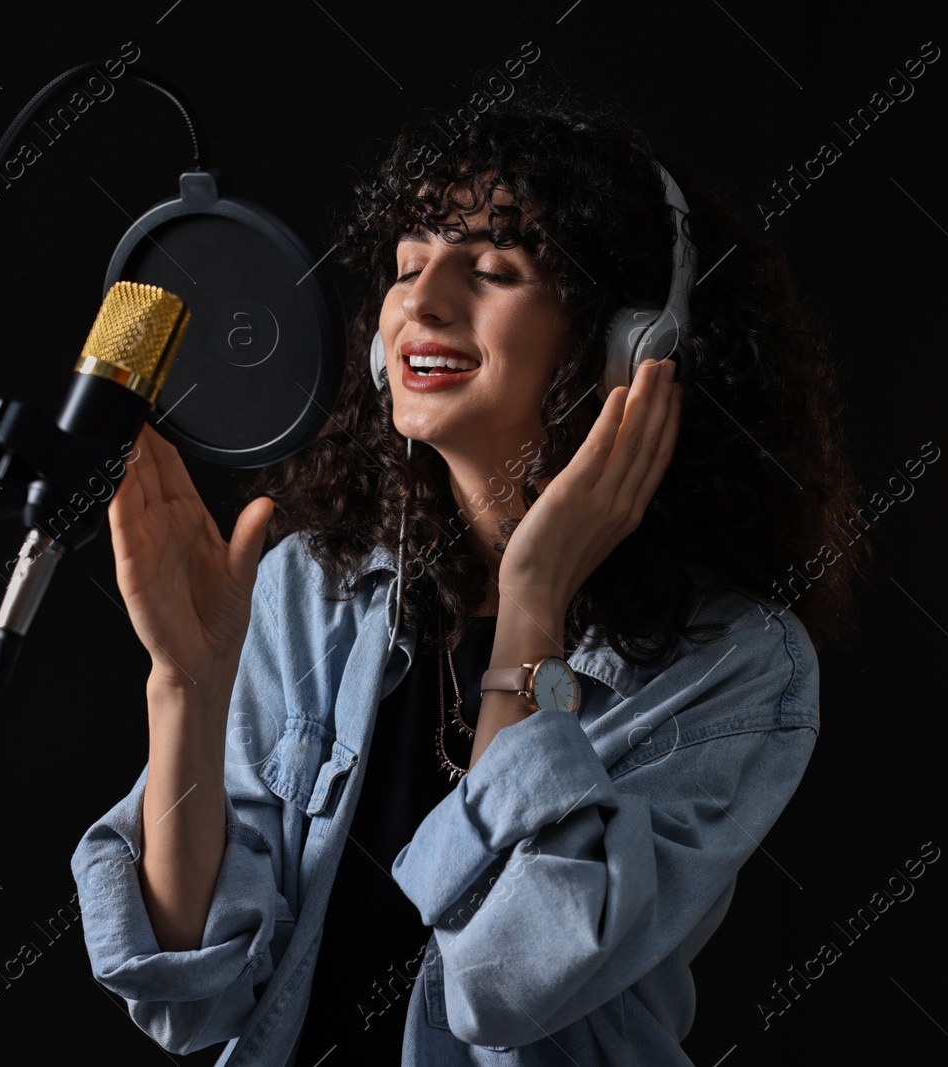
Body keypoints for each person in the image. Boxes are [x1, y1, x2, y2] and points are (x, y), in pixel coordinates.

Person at [71, 80, 869, 1066]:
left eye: (490, 267)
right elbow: (190, 992)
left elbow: (506, 978)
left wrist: (531, 603)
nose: (422, 299)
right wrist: (185, 689)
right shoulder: (305, 591)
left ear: (630, 340)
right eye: (407, 266)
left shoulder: (740, 663)